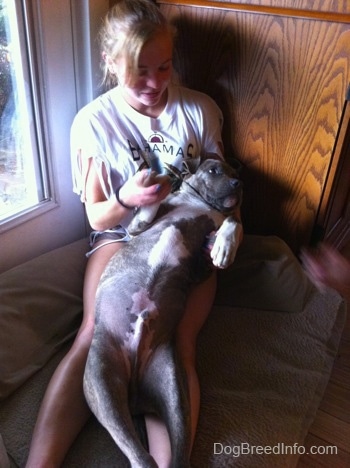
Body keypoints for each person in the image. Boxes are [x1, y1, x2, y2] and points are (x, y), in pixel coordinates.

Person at [26, 1, 242, 466]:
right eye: (139, 71)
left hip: (190, 244)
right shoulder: (92, 123)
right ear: (111, 64)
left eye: (164, 67)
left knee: (178, 345)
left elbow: (227, 192)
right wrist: (127, 199)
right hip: (123, 239)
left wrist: (230, 229)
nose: (155, 83)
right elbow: (98, 220)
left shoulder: (199, 110)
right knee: (93, 334)